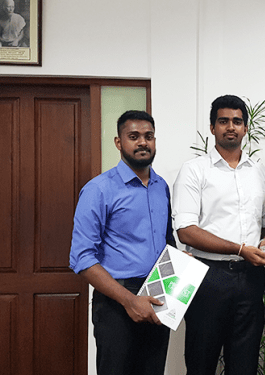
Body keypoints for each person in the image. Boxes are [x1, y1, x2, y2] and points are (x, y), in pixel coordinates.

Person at [172, 95, 265, 375]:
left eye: (237, 121)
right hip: (208, 278)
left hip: (251, 278)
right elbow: (186, 231)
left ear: (245, 128)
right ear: (212, 127)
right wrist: (240, 248)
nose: (230, 127)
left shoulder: (259, 171)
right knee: (201, 362)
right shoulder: (194, 170)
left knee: (245, 364)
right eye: (223, 121)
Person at [69, 110, 174, 375]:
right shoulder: (98, 189)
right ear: (119, 142)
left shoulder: (161, 186)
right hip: (116, 301)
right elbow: (82, 258)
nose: (143, 142)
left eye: (149, 136)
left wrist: (182, 262)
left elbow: (167, 240)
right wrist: (129, 301)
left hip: (157, 296)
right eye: (133, 136)